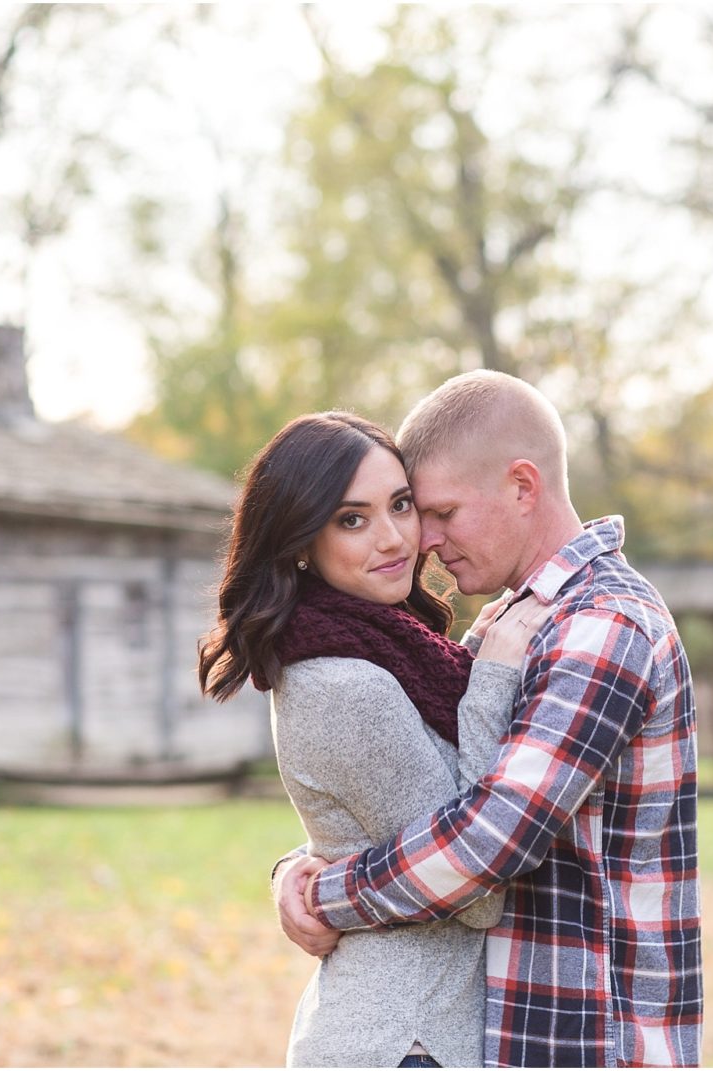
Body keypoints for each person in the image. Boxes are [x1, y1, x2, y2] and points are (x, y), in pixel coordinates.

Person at [274, 371, 704, 1068]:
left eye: (438, 511)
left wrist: (325, 891)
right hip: (517, 1035)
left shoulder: (600, 628)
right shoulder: (512, 624)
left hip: (593, 1040)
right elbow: (418, 798)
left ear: (523, 486)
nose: (423, 541)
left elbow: (487, 841)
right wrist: (293, 865)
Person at [198, 411, 550, 1068]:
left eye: (400, 505)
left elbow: (373, 823)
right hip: (405, 1040)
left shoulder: (388, 651)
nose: (392, 539)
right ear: (302, 539)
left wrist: (297, 868)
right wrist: (496, 679)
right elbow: (473, 889)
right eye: (351, 519)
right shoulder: (345, 682)